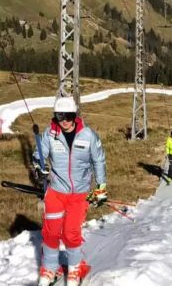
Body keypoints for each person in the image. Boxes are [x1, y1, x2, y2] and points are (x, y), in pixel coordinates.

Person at [34, 97, 106, 286]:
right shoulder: (50, 134)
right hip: (56, 192)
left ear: (75, 115)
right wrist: (38, 167)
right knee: (51, 233)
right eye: (60, 116)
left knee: (70, 233)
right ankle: (50, 269)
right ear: (55, 116)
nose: (64, 120)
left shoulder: (89, 135)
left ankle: (74, 269)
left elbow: (99, 161)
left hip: (79, 194)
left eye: (68, 116)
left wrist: (101, 187)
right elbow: (38, 155)